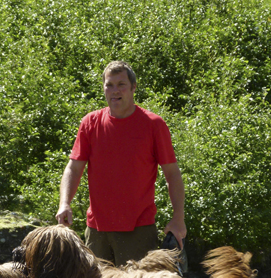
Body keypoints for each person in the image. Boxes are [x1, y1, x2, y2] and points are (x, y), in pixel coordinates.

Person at [56, 60, 186, 266]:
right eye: (109, 85)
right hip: (97, 230)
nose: (115, 91)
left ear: (133, 88)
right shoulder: (90, 123)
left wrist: (178, 218)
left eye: (121, 84)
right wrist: (65, 203)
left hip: (139, 230)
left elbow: (172, 174)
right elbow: (74, 167)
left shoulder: (153, 125)